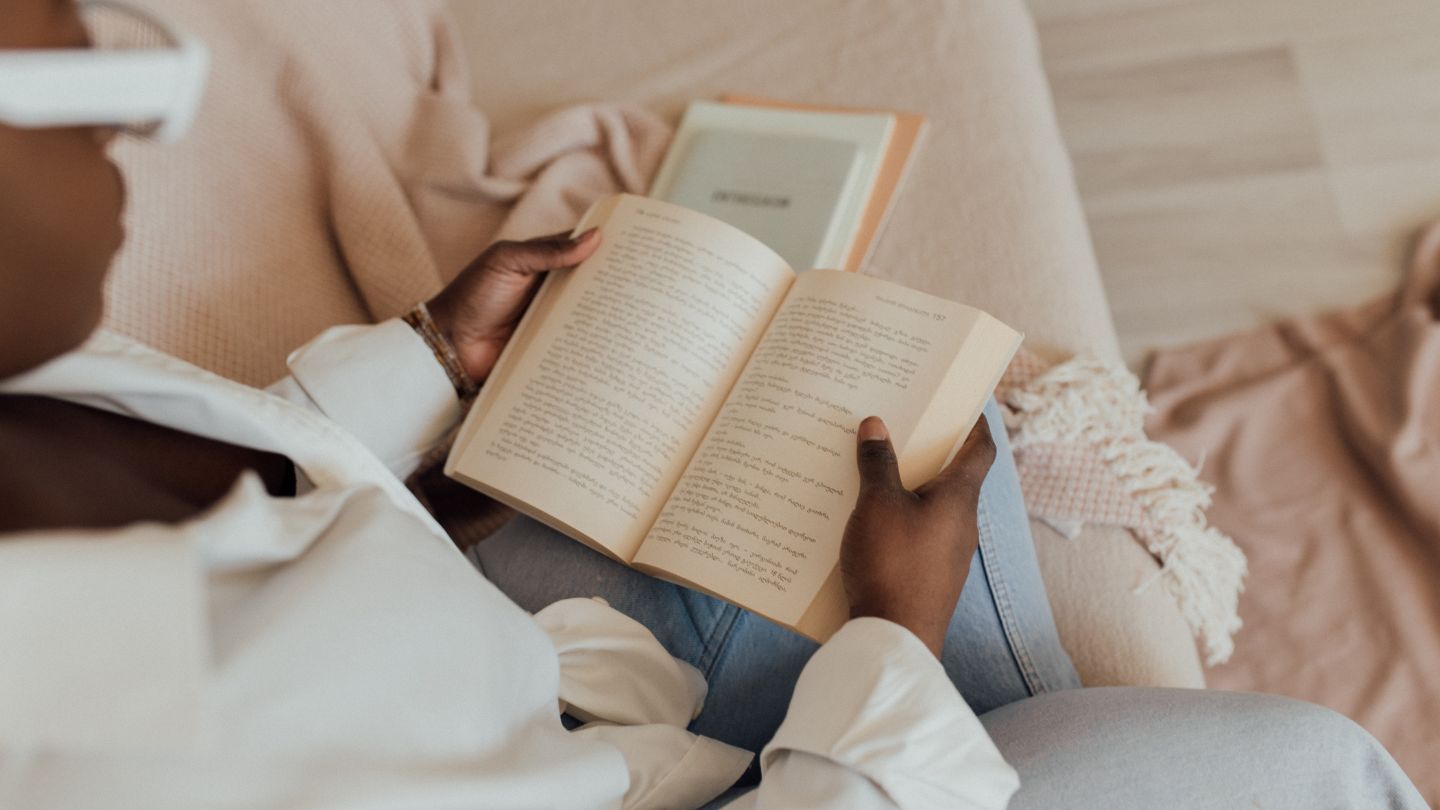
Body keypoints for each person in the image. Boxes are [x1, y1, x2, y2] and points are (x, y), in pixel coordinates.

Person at [0, 2, 1425, 808]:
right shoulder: (111, 754)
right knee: (1303, 775)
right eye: (95, 74)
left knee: (878, 427)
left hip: (508, 639)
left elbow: (257, 515)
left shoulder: (35, 404)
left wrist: (427, 366)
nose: (130, 120)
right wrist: (893, 632)